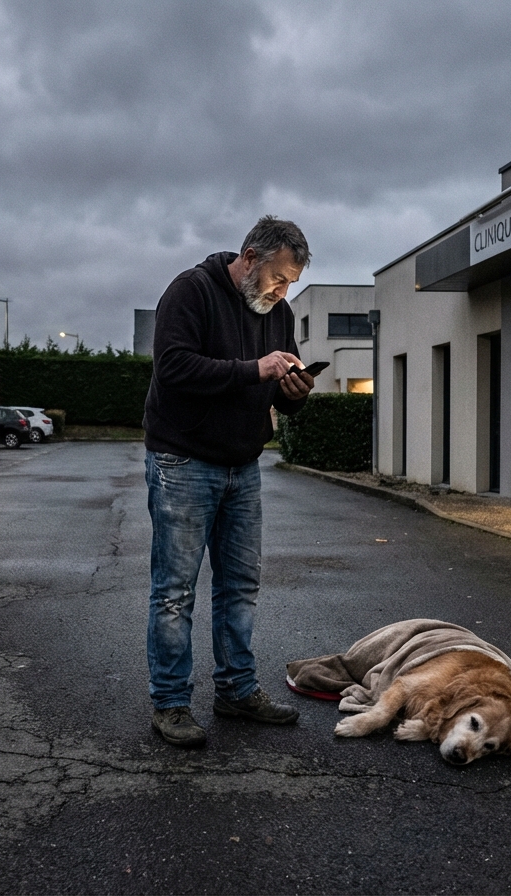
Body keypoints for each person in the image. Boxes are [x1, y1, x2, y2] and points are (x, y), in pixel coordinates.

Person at [143, 215, 315, 748]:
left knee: (240, 586)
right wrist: (255, 369)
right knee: (174, 593)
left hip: (243, 465)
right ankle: (170, 703)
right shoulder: (191, 290)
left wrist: (293, 389)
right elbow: (174, 367)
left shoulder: (278, 311)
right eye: (279, 278)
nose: (284, 291)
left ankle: (236, 690)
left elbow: (274, 387)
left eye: (291, 282)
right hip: (183, 461)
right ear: (249, 256)